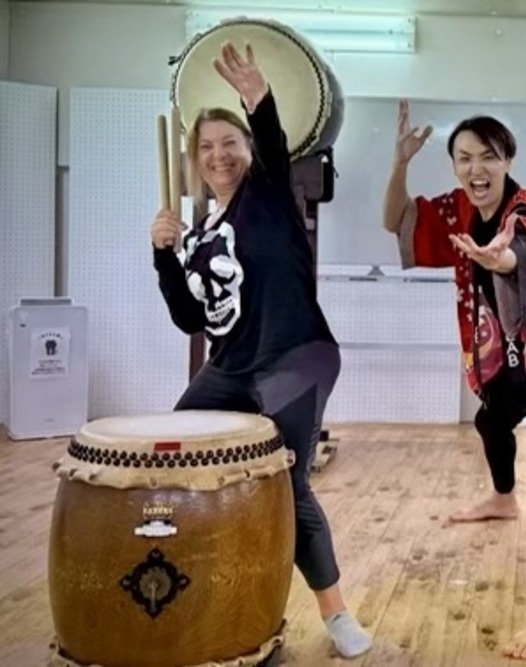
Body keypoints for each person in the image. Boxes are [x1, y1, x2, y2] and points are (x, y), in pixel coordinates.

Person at [149, 42, 372, 660]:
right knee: (173, 456)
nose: (219, 154)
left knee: (287, 482)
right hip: (232, 368)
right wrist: (164, 255)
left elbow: (272, 142)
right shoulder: (197, 235)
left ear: (248, 152)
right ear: (196, 161)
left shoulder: (269, 195)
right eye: (207, 147)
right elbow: (189, 317)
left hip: (297, 354)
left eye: (231, 142)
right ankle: (201, 586)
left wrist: (257, 97)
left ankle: (337, 616)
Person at [382, 101, 526, 660]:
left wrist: (503, 262)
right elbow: (398, 222)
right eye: (464, 158)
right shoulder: (458, 210)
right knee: (490, 420)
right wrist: (398, 163)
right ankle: (503, 499)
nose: (476, 168)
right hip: (511, 358)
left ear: (507, 158)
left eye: (488, 156)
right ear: (455, 165)